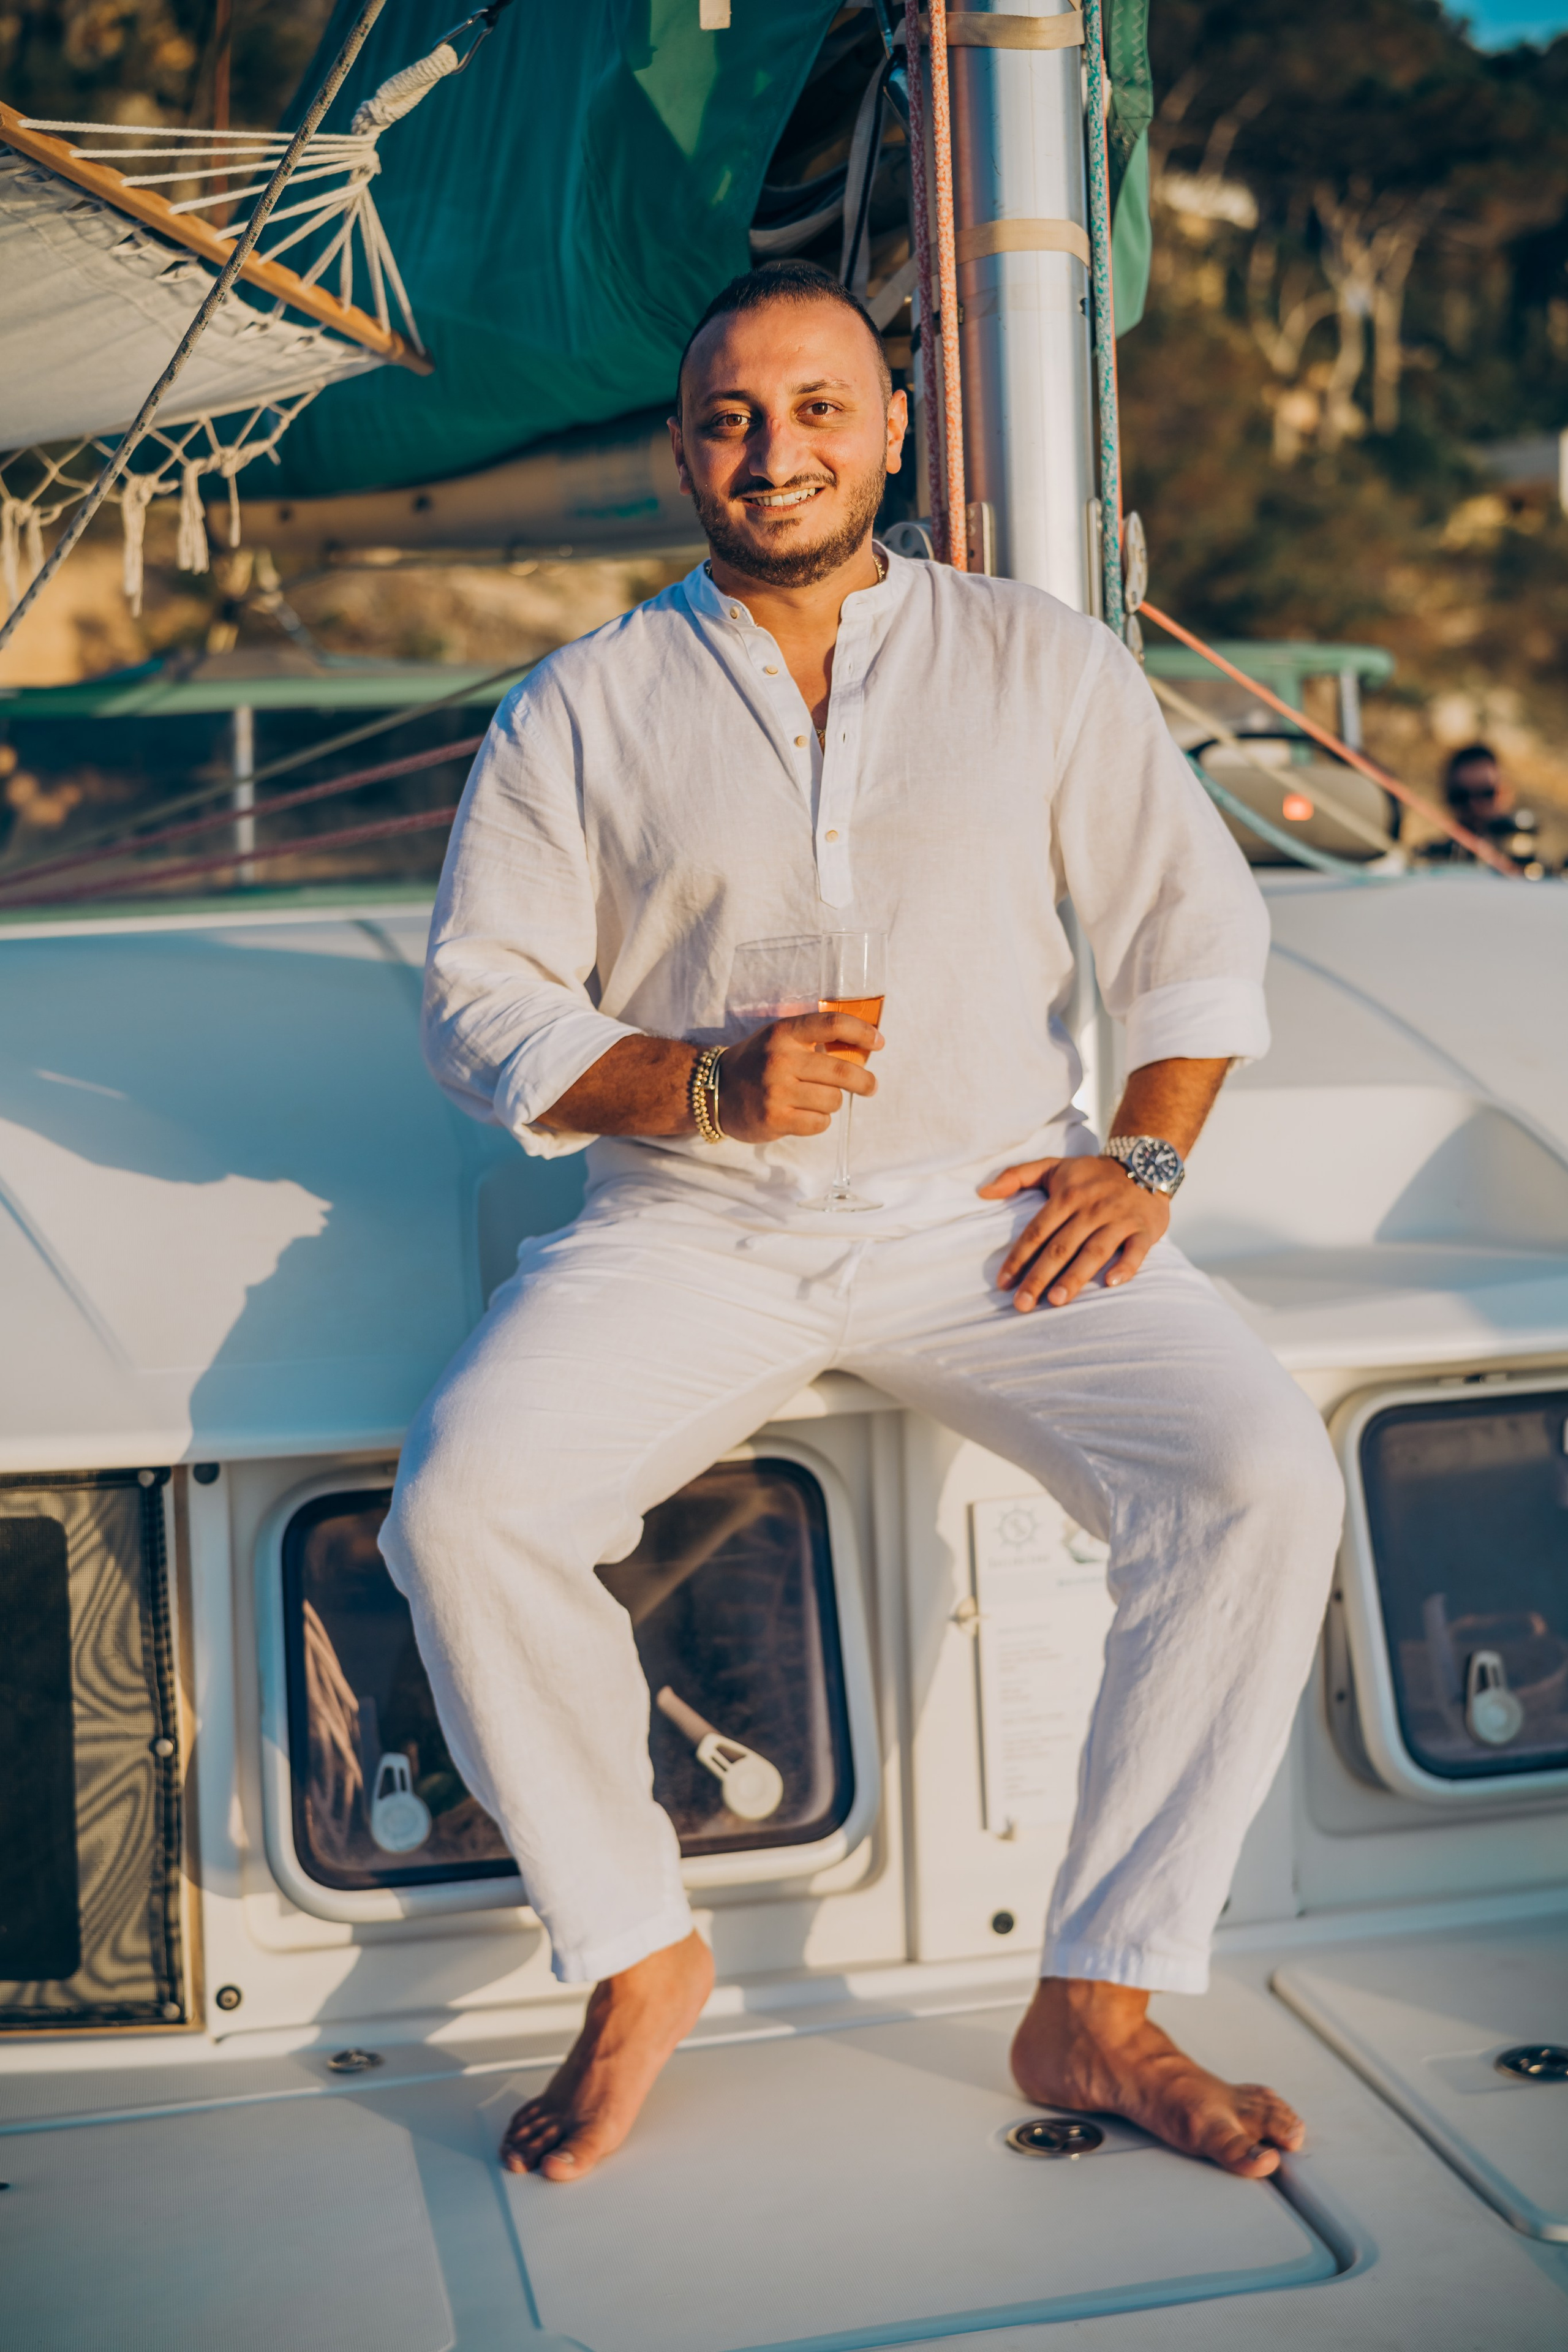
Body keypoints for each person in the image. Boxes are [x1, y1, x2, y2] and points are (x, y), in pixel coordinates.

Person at [381, 258, 1344, 2190]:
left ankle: (1101, 1992)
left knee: (1256, 1474)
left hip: (990, 1210)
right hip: (693, 1219)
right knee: (464, 1511)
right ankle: (638, 1947)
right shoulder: (583, 705)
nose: (777, 447)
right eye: (733, 414)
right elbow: (481, 996)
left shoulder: (1037, 658)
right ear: (680, 448)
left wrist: (1142, 1163)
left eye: (821, 407)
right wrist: (699, 1085)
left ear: (892, 429)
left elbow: (1190, 935)